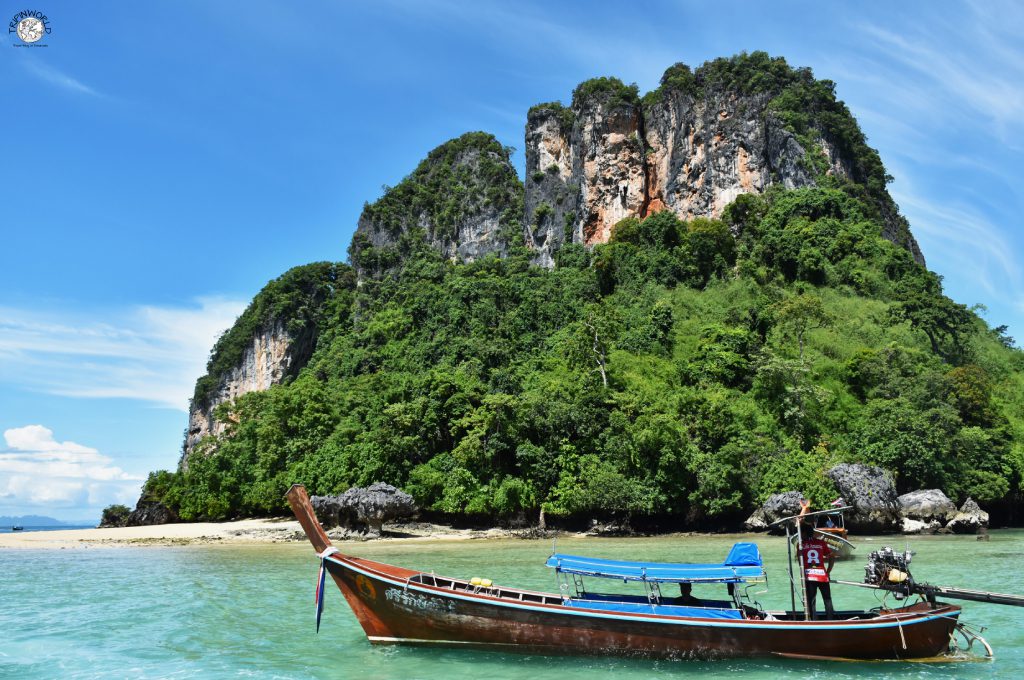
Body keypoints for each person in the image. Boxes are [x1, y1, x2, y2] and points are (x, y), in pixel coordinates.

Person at [797, 521, 835, 620]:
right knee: (827, 600)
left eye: (800, 533)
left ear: (804, 533)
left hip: (810, 577)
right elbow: (831, 556)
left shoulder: (800, 545)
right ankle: (831, 620)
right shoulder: (821, 542)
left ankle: (814, 622)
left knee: (811, 602)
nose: (799, 535)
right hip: (823, 575)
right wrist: (828, 571)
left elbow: (800, 563)